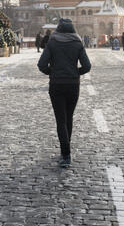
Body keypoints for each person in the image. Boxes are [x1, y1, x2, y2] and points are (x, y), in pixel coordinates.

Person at [37, 18, 91, 168]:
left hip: (56, 85)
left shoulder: (52, 42)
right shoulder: (78, 43)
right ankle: (66, 150)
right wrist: (75, 73)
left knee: (60, 119)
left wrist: (52, 73)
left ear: (58, 29)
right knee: (69, 117)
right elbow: (87, 66)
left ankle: (65, 154)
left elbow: (41, 65)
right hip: (73, 85)